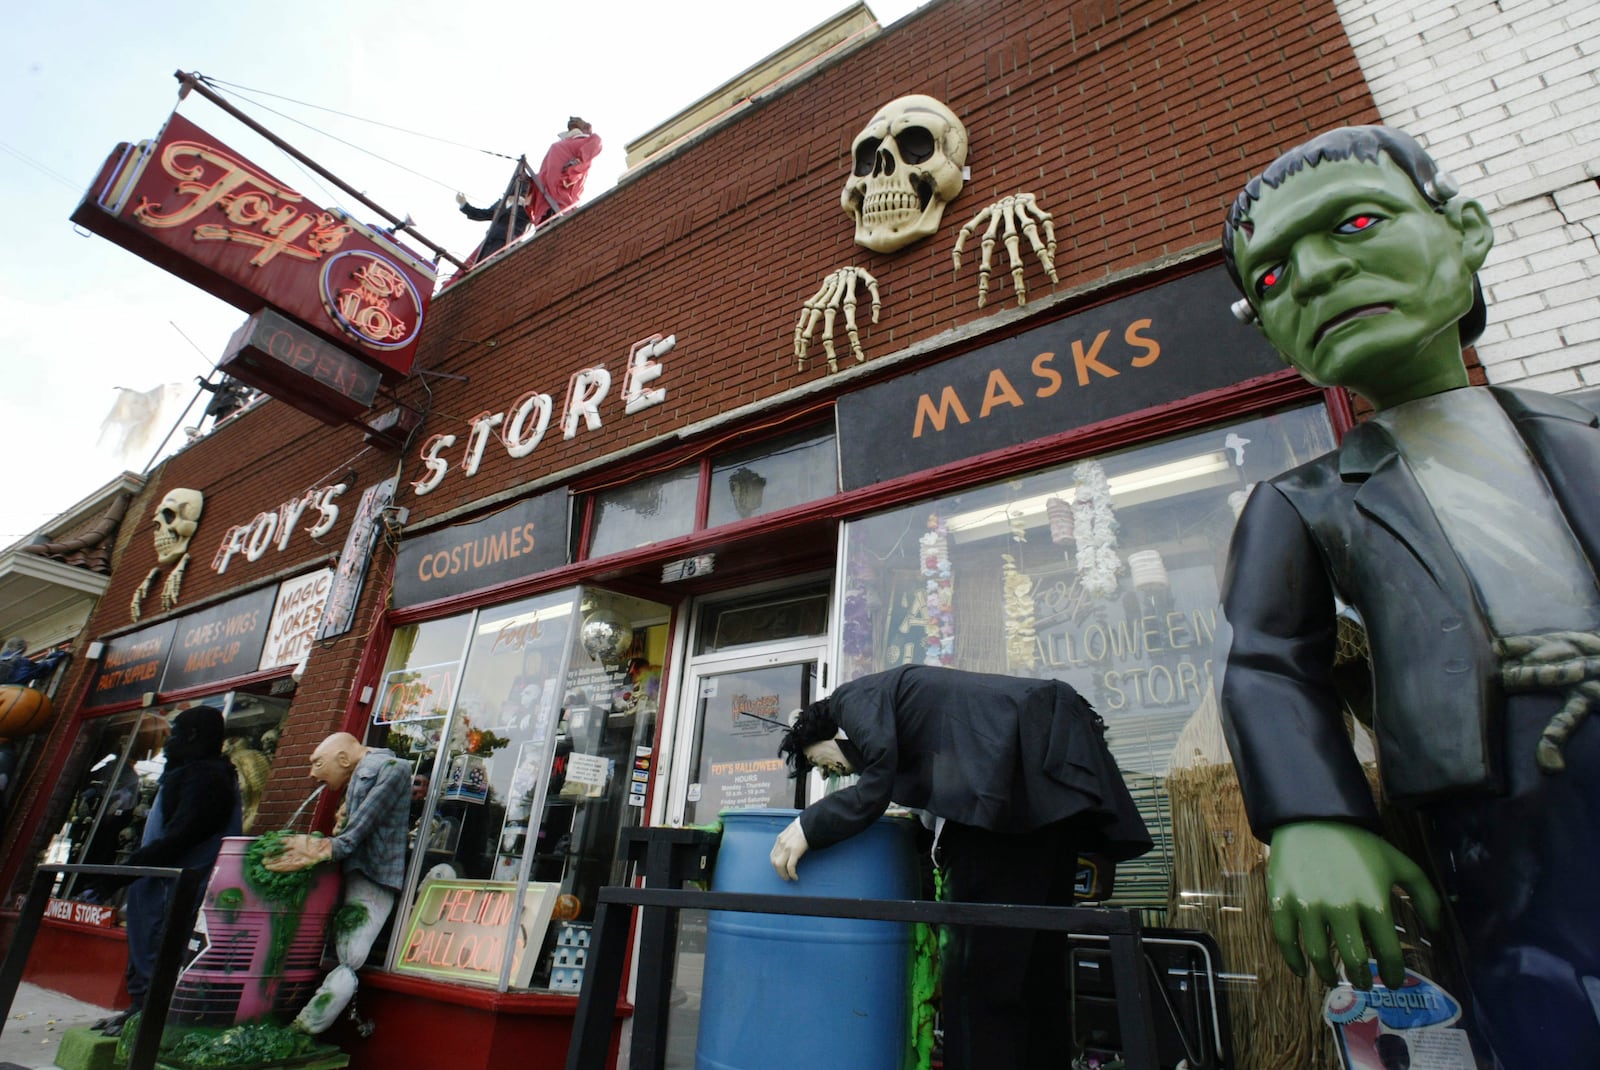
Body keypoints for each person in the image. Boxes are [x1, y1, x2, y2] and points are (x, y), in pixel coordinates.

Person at [1218, 125, 1600, 1068]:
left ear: (1465, 230)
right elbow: (1269, 663)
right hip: (1498, 812)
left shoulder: (1585, 427)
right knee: (1548, 1006)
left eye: (1353, 223)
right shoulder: (1300, 501)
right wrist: (1315, 815)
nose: (1308, 276)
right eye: (1268, 279)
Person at [773, 664, 1150, 1070]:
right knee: (1036, 971)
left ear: (829, 734)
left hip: (1004, 808)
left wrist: (807, 825)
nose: (833, 773)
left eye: (822, 762)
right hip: (1042, 797)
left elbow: (877, 777)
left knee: (977, 981)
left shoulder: (851, 700)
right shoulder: (919, 725)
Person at [95, 706, 242, 1037]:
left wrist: (117, 875)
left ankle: (149, 1018)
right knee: (148, 943)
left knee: (161, 948)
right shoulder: (195, 773)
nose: (168, 740)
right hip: (158, 884)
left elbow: (182, 835)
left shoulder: (206, 777)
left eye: (175, 733)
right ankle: (138, 1011)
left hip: (174, 885)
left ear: (191, 736)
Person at [265, 732, 411, 1034]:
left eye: (318, 763)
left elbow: (358, 830)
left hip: (372, 876)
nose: (312, 772)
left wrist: (325, 848)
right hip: (355, 872)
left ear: (343, 759)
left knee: (350, 954)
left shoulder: (391, 768)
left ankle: (305, 1029)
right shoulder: (366, 775)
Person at [456, 117, 602, 262]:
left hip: (560, 189)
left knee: (554, 218)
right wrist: (531, 181)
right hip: (543, 194)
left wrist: (578, 161)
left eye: (577, 120)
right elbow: (485, 213)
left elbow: (594, 147)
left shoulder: (587, 140)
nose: (571, 119)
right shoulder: (504, 203)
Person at [0, 637, 69, 685]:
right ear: (23, 648)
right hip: (10, 699)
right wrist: (58, 654)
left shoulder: (3, 661)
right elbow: (42, 669)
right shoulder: (19, 662)